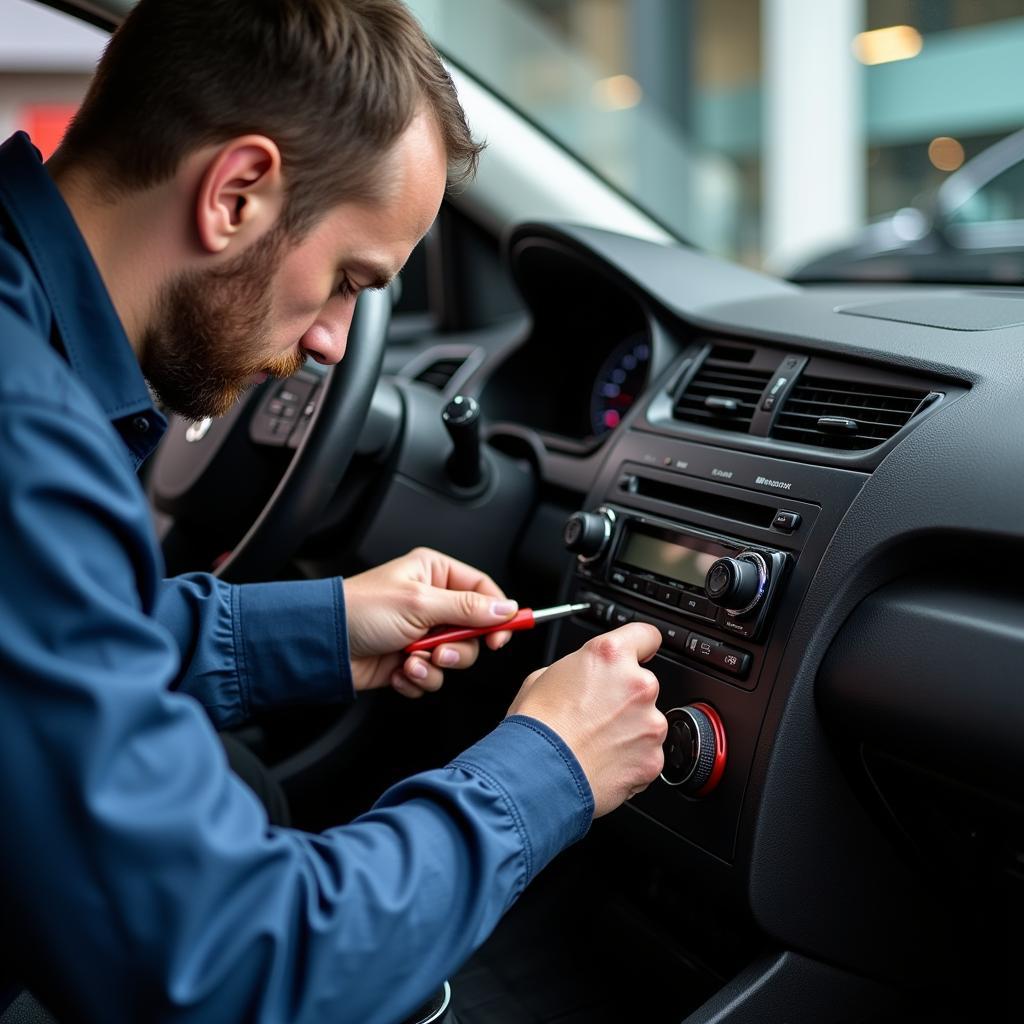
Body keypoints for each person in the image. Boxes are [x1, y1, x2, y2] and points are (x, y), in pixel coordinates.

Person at [0, 1, 667, 1021]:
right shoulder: (28, 435)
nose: (330, 344)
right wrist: (549, 766)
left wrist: (325, 624)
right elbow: (226, 963)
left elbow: (55, 649)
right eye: (349, 281)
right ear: (237, 192)